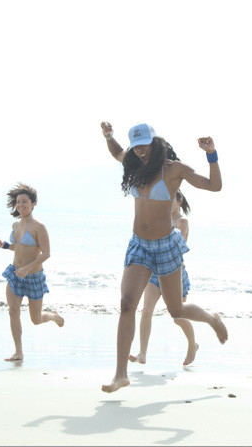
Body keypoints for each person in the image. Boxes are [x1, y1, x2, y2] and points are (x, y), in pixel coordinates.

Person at [100, 121, 227, 393]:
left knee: (176, 311)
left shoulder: (173, 169)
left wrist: (211, 153)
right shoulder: (133, 163)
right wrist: (109, 136)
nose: (141, 151)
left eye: (145, 145)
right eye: (136, 147)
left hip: (167, 247)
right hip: (139, 246)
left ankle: (212, 319)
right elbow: (116, 152)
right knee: (126, 304)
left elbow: (214, 186)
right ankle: (121, 374)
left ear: (155, 141)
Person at [0, 183, 64, 362]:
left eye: (25, 201)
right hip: (15, 274)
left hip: (33, 277)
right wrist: (6, 245)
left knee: (36, 319)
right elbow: (20, 248)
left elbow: (46, 253)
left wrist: (27, 268)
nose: (21, 205)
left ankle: (53, 316)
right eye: (18, 202)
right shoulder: (15, 225)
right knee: (13, 312)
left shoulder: (39, 227)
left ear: (33, 204)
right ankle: (18, 352)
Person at [129, 189, 198, 366]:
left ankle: (192, 344)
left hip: (175, 274)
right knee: (146, 310)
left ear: (179, 200)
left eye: (171, 201)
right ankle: (142, 353)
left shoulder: (181, 221)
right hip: (154, 273)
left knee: (178, 316)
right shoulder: (161, 219)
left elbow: (174, 243)